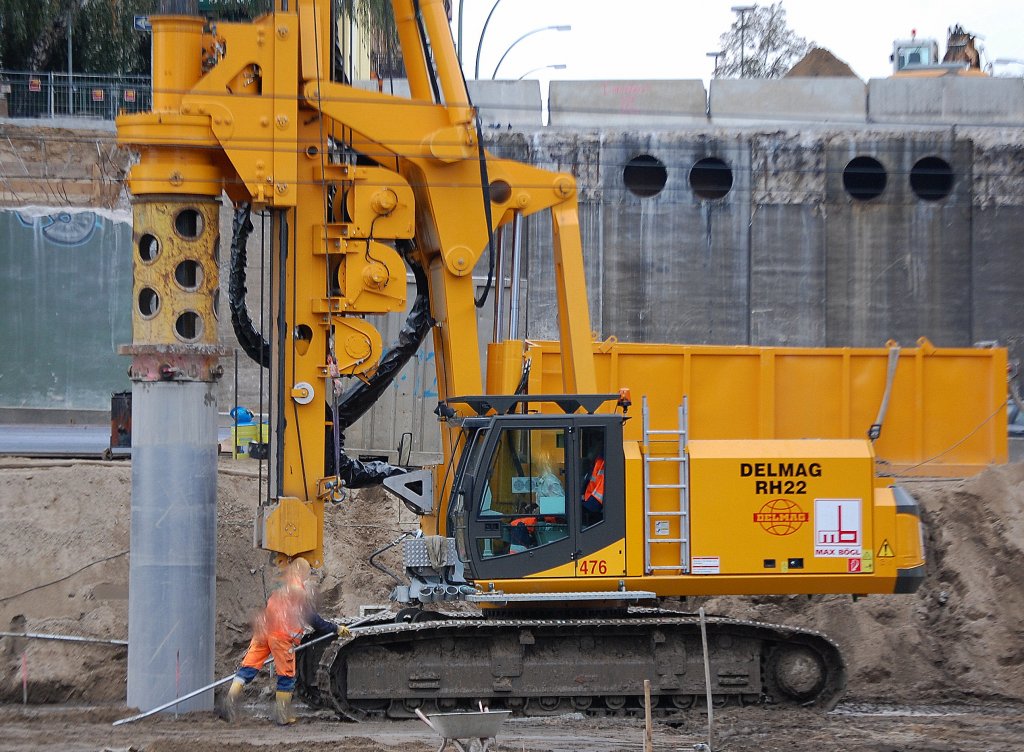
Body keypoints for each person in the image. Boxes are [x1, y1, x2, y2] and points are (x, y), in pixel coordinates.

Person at [222, 558, 349, 725]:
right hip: (280, 637)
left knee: (248, 668)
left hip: (263, 633)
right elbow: (314, 621)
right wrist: (336, 628)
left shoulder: (280, 588)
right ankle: (282, 716)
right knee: (286, 676)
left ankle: (230, 701)